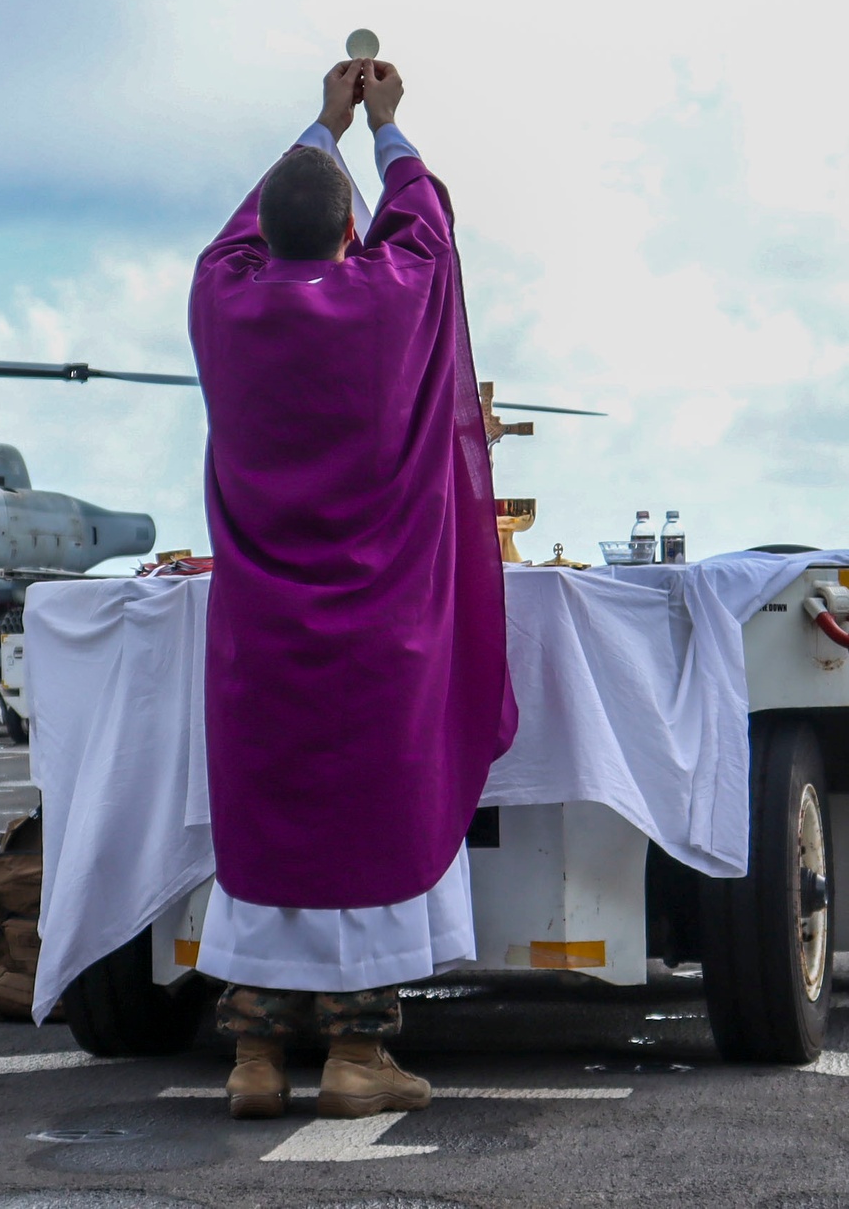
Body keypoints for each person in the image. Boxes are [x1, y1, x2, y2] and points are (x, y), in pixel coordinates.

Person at [188, 56, 517, 1120]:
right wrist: (383, 128)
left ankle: (252, 1059)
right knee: (370, 825)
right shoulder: (388, 297)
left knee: (268, 820)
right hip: (379, 632)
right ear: (349, 235)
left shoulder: (224, 304)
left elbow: (238, 232)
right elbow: (426, 222)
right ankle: (355, 1056)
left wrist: (319, 129)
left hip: (259, 633)